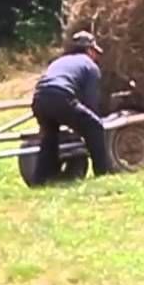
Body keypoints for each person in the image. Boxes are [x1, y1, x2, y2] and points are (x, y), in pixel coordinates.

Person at [30, 31, 111, 184]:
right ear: (89, 50)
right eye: (95, 52)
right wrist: (92, 120)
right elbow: (91, 101)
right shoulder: (90, 66)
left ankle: (41, 179)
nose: (96, 56)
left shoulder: (59, 61)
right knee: (95, 126)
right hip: (61, 96)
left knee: (50, 137)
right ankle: (102, 172)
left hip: (39, 98)